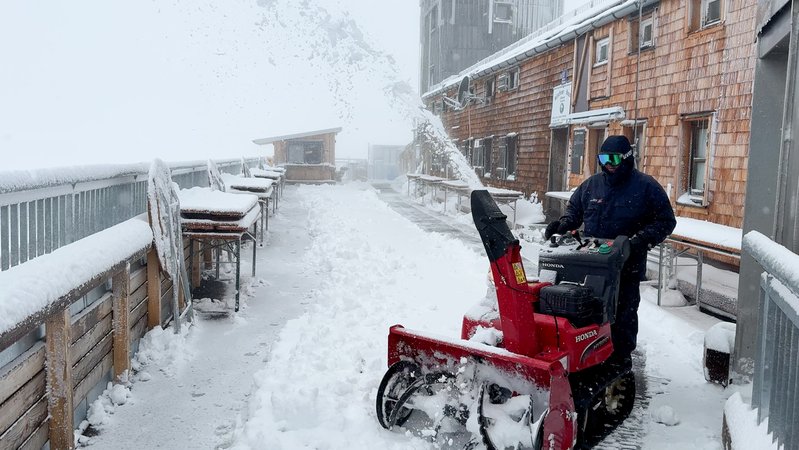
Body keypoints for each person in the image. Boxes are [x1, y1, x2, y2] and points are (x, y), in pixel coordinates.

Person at [544, 135, 676, 366]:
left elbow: (666, 221)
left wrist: (638, 242)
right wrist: (563, 225)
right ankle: (591, 354)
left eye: (614, 158)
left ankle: (620, 361)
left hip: (627, 264)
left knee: (622, 313)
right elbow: (574, 212)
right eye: (604, 158)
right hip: (593, 262)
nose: (609, 163)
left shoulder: (645, 187)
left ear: (626, 158)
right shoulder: (591, 185)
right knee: (590, 311)